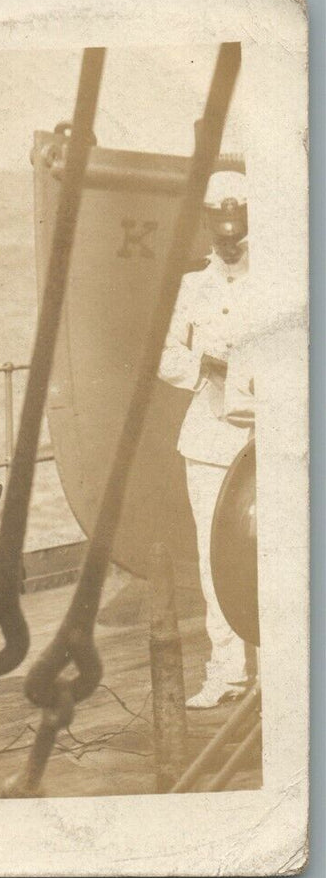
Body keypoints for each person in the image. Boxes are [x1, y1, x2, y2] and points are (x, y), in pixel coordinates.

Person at [158, 170, 253, 709]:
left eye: (237, 230)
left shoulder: (282, 279)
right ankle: (227, 670)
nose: (229, 241)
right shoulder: (192, 287)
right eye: (220, 232)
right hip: (211, 438)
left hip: (272, 432)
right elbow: (165, 354)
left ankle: (281, 666)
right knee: (214, 556)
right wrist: (203, 365)